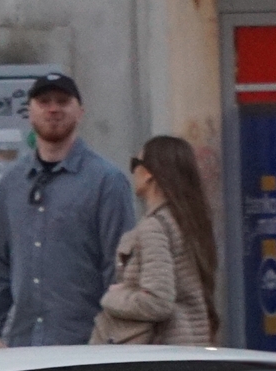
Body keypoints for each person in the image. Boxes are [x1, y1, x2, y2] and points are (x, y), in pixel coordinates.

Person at [0, 72, 138, 348]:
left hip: (88, 346)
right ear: (29, 112)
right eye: (44, 101)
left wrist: (112, 340)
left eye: (63, 101)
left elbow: (119, 269)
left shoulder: (106, 182)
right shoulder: (12, 184)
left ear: (80, 112)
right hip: (23, 346)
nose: (53, 109)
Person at [92, 135, 220, 347]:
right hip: (189, 348)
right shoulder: (187, 222)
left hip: (160, 352)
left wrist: (112, 297)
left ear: (150, 172)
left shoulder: (154, 227)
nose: (132, 171)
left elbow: (157, 302)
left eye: (136, 163)